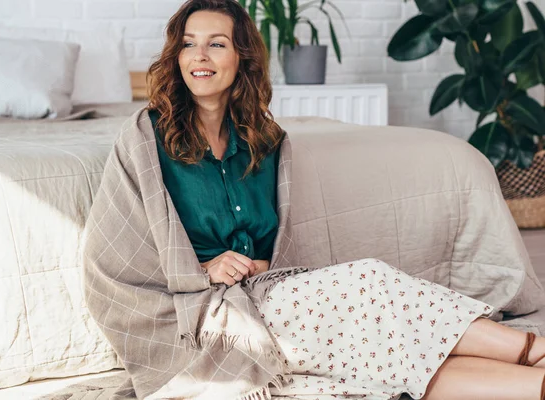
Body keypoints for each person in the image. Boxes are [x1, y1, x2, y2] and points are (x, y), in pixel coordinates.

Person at [83, 1, 545, 399]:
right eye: (188, 43)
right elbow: (115, 257)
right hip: (197, 314)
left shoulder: (266, 141)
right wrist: (202, 271)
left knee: (377, 362)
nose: (199, 56)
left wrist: (262, 264)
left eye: (216, 43)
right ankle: (529, 350)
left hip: (262, 295)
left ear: (241, 57)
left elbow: (275, 243)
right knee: (368, 287)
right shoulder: (145, 137)